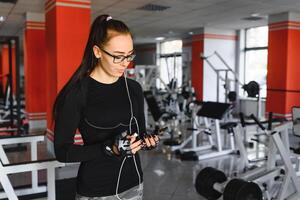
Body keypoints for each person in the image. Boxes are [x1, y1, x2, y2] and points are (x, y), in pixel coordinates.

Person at [53, 14, 159, 200]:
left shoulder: (133, 88)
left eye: (129, 55)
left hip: (134, 184)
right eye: (118, 57)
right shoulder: (77, 93)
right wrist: (108, 148)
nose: (126, 63)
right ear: (97, 52)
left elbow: (140, 133)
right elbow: (63, 151)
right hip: (96, 190)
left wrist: (147, 141)